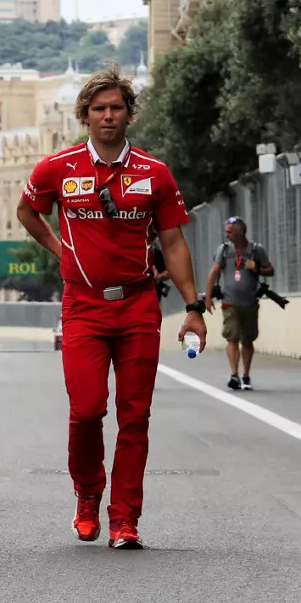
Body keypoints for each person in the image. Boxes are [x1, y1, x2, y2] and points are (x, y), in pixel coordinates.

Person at [16, 64, 206, 550]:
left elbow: (174, 240)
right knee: (85, 411)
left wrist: (193, 306)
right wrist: (60, 249)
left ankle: (125, 518)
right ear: (84, 115)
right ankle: (87, 492)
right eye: (98, 109)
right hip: (83, 306)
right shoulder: (57, 168)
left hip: (138, 305)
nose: (107, 116)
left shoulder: (153, 172)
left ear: (128, 114)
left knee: (134, 415)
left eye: (116, 108)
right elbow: (27, 211)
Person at [206, 216, 274, 391]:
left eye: (230, 229)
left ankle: (246, 375)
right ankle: (234, 374)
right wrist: (208, 298)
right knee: (232, 337)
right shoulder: (224, 250)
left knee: (248, 340)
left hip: (250, 302)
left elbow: (270, 270)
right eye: (226, 229)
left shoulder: (256, 250)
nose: (227, 231)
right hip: (230, 302)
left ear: (241, 230)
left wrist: (257, 268)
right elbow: (213, 273)